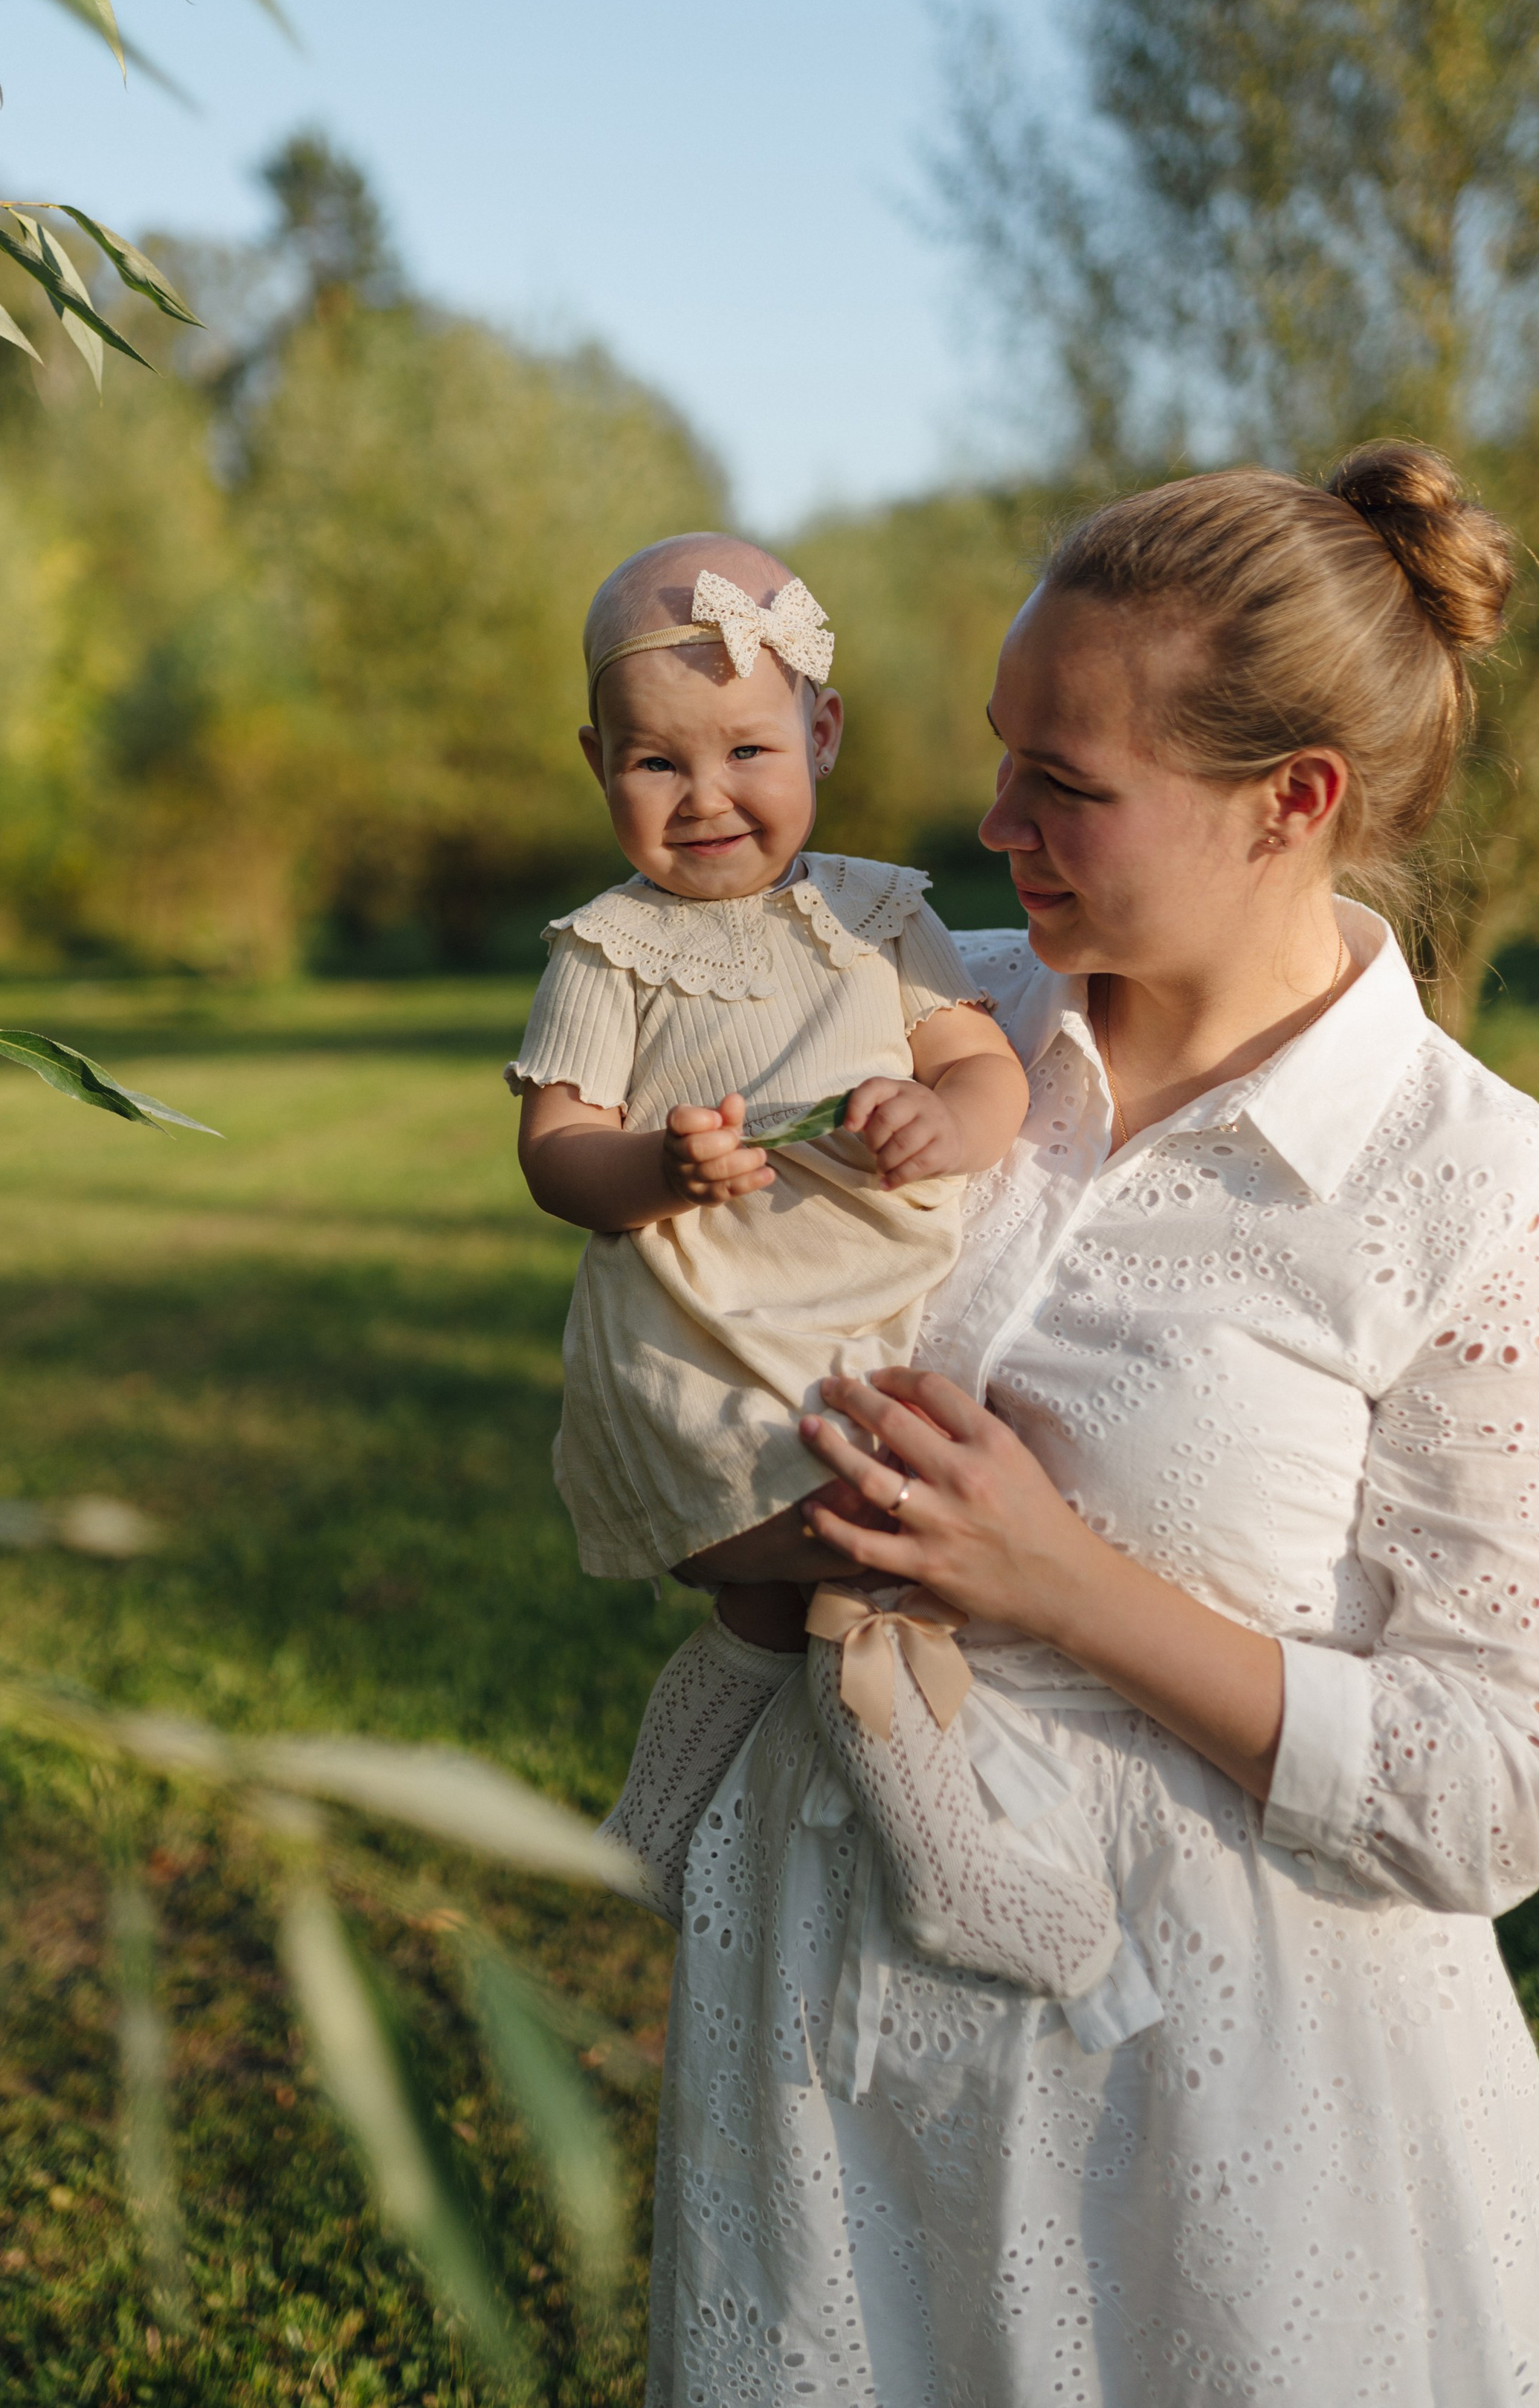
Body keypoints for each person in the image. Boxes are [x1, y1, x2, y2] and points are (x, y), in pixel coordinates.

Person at [642, 442, 1539, 2408]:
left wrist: (1062, 1584)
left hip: (1224, 2111)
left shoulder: (1469, 1197)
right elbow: (694, 1364)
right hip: (836, 2042)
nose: (993, 818)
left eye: (1067, 785)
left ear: (1299, 804)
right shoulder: (909, 1017)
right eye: (1005, 752)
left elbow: (1502, 1787)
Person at [511, 533, 1149, 2011]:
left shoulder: (879, 915)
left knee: (763, 1604)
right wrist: (653, 1168)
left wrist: (949, 1118)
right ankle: (948, 1863)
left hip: (844, 1323)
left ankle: (652, 1828)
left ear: (822, 733)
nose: (705, 795)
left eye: (744, 747)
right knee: (877, 1550)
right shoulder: (607, 952)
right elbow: (554, 1151)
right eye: (653, 763)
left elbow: (977, 1064)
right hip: (696, 1341)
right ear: (595, 761)